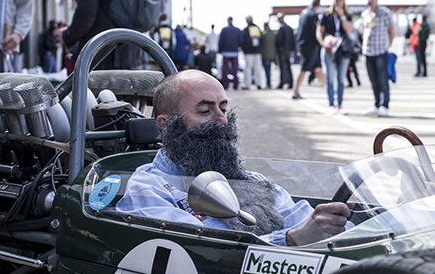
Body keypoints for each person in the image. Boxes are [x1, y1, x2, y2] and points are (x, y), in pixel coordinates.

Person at [116, 70, 354, 246]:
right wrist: (291, 240)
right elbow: (202, 253)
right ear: (166, 125)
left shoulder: (251, 180)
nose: (223, 120)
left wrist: (339, 225)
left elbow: (301, 219)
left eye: (223, 108)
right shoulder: (149, 189)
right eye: (205, 111)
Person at [316, 0, 353, 115]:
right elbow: (319, 31)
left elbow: (348, 29)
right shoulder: (327, 14)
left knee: (341, 78)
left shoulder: (347, 15)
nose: (338, 2)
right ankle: (331, 104)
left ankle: (340, 104)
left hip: (342, 48)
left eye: (340, 0)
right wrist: (322, 43)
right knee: (330, 77)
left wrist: (342, 16)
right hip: (329, 48)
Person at [360, 0, 395, 117]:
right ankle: (376, 104)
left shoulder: (385, 13)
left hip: (381, 51)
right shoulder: (365, 14)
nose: (370, 0)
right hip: (368, 52)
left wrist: (388, 46)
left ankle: (384, 105)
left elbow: (392, 30)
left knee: (383, 79)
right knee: (373, 80)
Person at [292, 0, 325, 99]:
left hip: (304, 45)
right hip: (310, 46)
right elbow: (315, 32)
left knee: (318, 69)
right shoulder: (313, 15)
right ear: (318, 5)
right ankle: (295, 92)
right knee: (303, 69)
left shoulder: (303, 13)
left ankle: (330, 90)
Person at [218, 17, 243, 90]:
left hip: (226, 52)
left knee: (225, 69)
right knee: (235, 69)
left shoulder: (224, 30)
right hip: (235, 52)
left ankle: (226, 84)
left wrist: (220, 50)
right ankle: (235, 84)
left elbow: (221, 41)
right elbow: (240, 40)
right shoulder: (237, 30)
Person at [241, 15, 264, 90]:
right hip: (257, 51)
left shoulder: (246, 29)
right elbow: (261, 38)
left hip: (249, 52)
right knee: (258, 68)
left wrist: (244, 49)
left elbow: (243, 40)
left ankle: (247, 84)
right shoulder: (257, 28)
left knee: (248, 68)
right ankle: (259, 84)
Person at [275, 13, 296, 89]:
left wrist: (278, 48)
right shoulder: (289, 28)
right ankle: (290, 82)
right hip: (288, 51)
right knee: (288, 67)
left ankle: (282, 82)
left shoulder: (282, 28)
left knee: (282, 67)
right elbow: (293, 40)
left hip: (282, 51)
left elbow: (279, 41)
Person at [260, 22, 277, 89]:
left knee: (267, 70)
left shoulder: (264, 34)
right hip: (272, 54)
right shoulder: (273, 34)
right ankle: (269, 83)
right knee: (269, 70)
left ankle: (268, 83)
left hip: (265, 54)